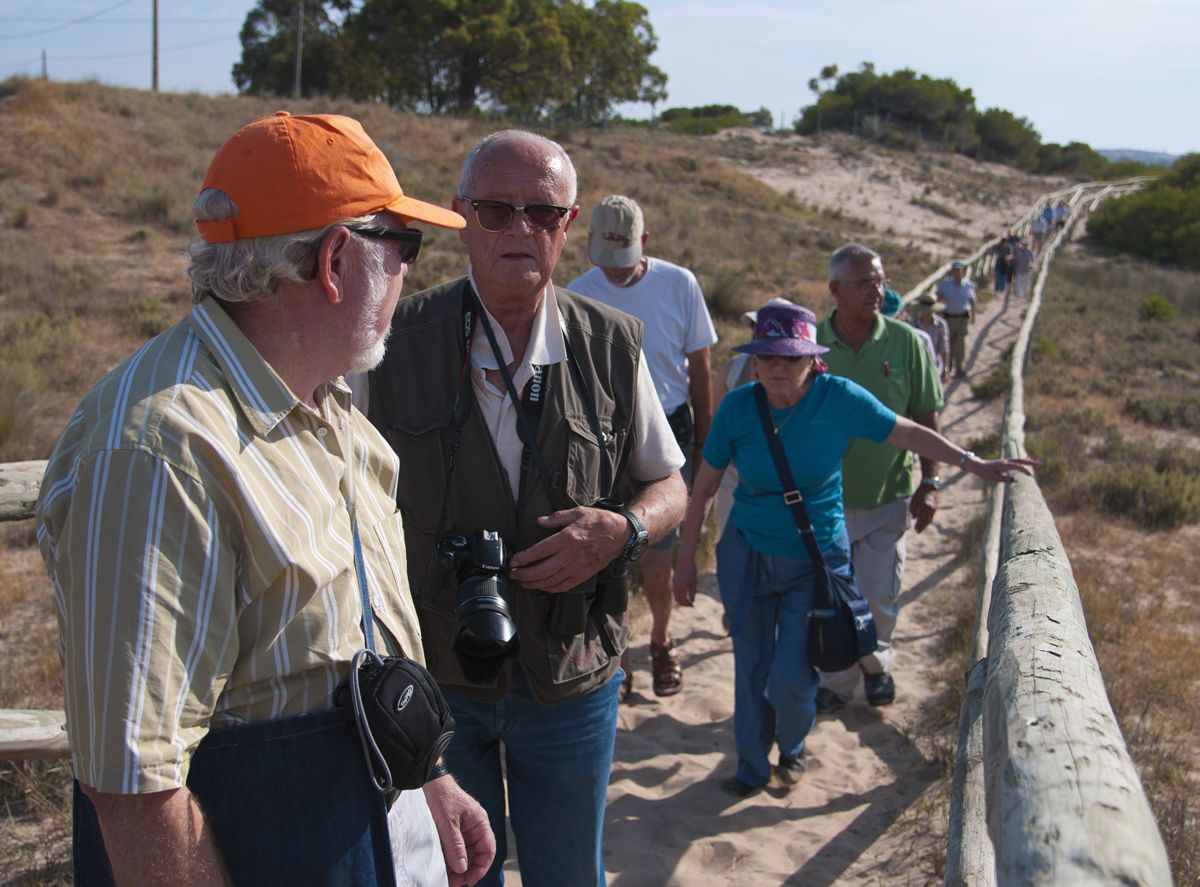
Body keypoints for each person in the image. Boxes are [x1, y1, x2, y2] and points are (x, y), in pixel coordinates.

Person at [34, 112, 494, 886]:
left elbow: (347, 646)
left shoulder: (328, 406)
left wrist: (427, 781)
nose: (408, 272)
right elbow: (135, 791)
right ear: (336, 260)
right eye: (403, 246)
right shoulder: (160, 453)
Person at [361, 130, 688, 887]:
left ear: (568, 226)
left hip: (573, 676)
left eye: (541, 213)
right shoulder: (389, 343)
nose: (519, 228)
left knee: (569, 874)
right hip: (436, 677)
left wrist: (624, 530)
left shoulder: (612, 345)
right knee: (457, 874)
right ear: (460, 217)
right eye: (496, 210)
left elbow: (669, 485)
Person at [673, 300, 1035, 796]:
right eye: (767, 355)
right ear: (754, 361)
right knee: (750, 668)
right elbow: (704, 487)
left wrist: (972, 463)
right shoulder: (739, 407)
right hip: (747, 557)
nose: (778, 366)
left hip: (815, 563)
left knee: (791, 679)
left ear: (812, 360)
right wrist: (685, 561)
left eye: (790, 356)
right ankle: (752, 768)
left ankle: (792, 747)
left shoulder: (838, 399)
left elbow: (907, 431)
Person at [567, 194, 717, 699]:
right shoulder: (577, 293)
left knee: (657, 551)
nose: (613, 270)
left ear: (644, 242)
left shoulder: (679, 284)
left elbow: (700, 368)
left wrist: (705, 440)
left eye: (623, 256)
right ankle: (619, 655)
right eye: (604, 256)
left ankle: (661, 639)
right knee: (611, 552)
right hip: (605, 430)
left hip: (670, 426)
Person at [815, 243, 944, 712]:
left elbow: (926, 415)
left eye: (880, 280)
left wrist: (930, 483)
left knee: (877, 594)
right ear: (835, 289)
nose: (877, 290)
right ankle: (837, 681)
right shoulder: (811, 343)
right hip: (822, 501)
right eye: (864, 282)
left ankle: (876, 667)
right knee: (831, 597)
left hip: (886, 496)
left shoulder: (907, 343)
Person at [935, 259, 977, 379]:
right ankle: (947, 367)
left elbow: (973, 301)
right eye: (955, 270)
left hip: (962, 318)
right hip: (948, 318)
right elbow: (937, 296)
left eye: (959, 270)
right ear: (952, 271)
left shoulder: (968, 285)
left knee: (960, 343)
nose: (957, 273)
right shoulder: (946, 284)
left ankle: (959, 367)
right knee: (947, 343)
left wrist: (973, 315)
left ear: (963, 271)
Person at [909, 291, 951, 382]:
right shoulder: (912, 324)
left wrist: (945, 368)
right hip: (915, 367)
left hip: (934, 366)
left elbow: (944, 347)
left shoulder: (941, 324)